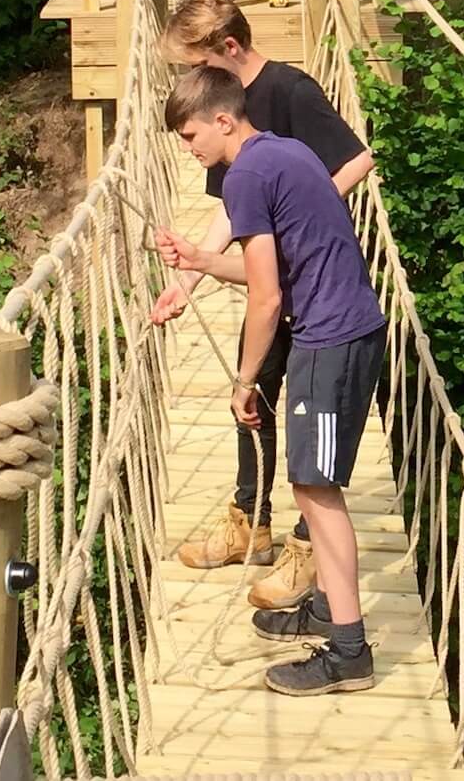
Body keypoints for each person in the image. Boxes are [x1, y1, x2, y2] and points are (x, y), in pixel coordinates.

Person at [164, 65, 386, 696]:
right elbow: (285, 264)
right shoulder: (285, 152)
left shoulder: (246, 176)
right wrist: (202, 261)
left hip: (328, 341)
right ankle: (323, 606)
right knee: (311, 481)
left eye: (191, 136)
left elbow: (266, 298)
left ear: (224, 120)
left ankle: (348, 651)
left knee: (316, 491)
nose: (190, 150)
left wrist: (244, 381)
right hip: (352, 328)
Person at [150, 0, 373, 613]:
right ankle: (251, 516)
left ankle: (308, 551)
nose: (186, 80)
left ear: (226, 53)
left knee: (283, 407)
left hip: (311, 296)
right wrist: (188, 276)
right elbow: (237, 212)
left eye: (192, 64)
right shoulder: (225, 123)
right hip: (279, 278)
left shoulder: (288, 92)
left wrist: (303, 212)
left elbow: (358, 157)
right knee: (252, 399)